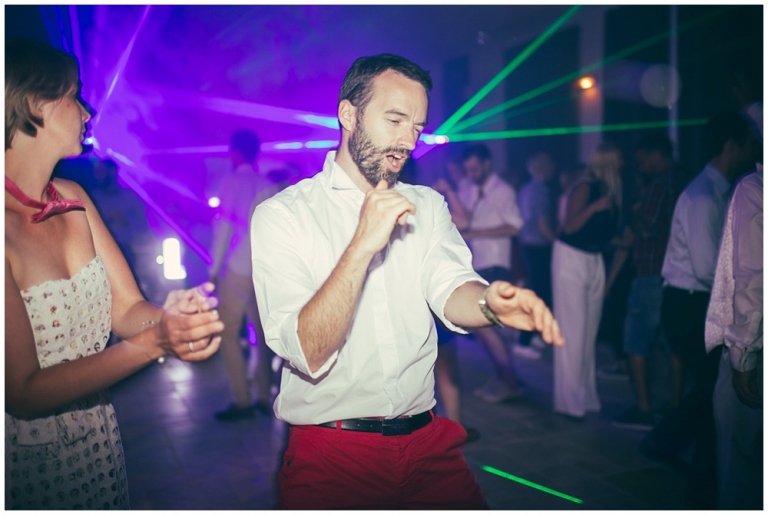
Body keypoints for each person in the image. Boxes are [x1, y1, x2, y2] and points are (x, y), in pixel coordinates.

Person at [250, 53, 563, 510]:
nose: (407, 140)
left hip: (427, 444)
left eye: (416, 127)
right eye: (395, 119)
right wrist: (361, 246)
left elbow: (451, 285)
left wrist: (490, 304)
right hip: (333, 454)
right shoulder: (283, 216)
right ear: (348, 115)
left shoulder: (427, 204)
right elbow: (308, 351)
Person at [4, 39, 224, 510]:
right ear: (32, 105)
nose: (86, 113)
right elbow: (22, 393)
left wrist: (170, 323)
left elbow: (124, 309)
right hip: (26, 466)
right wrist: (152, 344)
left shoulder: (74, 196)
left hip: (98, 444)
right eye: (73, 97)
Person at [641, 110, 759, 508]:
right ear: (733, 145)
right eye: (749, 142)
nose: (754, 150)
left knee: (710, 389)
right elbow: (712, 269)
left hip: (692, 301)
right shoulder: (704, 195)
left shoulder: (721, 191)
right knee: (716, 394)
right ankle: (701, 484)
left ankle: (668, 444)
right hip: (690, 303)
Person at [612, 132, 685, 431]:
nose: (640, 166)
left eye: (643, 160)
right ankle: (676, 406)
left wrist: (636, 212)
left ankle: (643, 410)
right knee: (673, 346)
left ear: (656, 155)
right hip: (677, 277)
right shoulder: (684, 179)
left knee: (636, 341)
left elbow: (646, 229)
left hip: (651, 273)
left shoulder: (659, 185)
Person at [209, 129, 280, 422]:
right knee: (263, 337)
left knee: (227, 334)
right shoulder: (268, 185)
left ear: (234, 152)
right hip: (266, 271)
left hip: (239, 268)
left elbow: (224, 230)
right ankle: (264, 396)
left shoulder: (231, 182)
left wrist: (212, 272)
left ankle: (243, 400)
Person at [552, 142, 623, 419]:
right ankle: (569, 402)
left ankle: (586, 396)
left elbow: (600, 235)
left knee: (588, 333)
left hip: (594, 259)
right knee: (573, 332)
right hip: (570, 258)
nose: (622, 164)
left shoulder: (609, 190)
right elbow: (569, 227)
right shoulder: (585, 186)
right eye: (618, 159)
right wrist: (594, 208)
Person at [706, 163, 762, 510]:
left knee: (741, 455)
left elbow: (753, 278)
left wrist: (743, 353)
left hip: (757, 344)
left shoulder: (755, 188)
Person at [456, 144, 526, 402]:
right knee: (485, 327)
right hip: (476, 265)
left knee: (486, 327)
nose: (471, 173)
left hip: (496, 265)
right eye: (468, 170)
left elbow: (516, 226)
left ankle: (510, 383)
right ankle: (504, 378)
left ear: (487, 164)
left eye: (475, 168)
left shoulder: (503, 191)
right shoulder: (470, 188)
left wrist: (476, 233)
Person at [516, 151, 558, 359]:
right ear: (542, 169)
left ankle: (531, 335)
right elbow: (542, 224)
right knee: (538, 294)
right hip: (538, 247)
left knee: (537, 291)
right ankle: (523, 340)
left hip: (527, 246)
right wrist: (558, 244)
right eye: (550, 166)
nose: (553, 170)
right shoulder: (540, 190)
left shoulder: (526, 188)